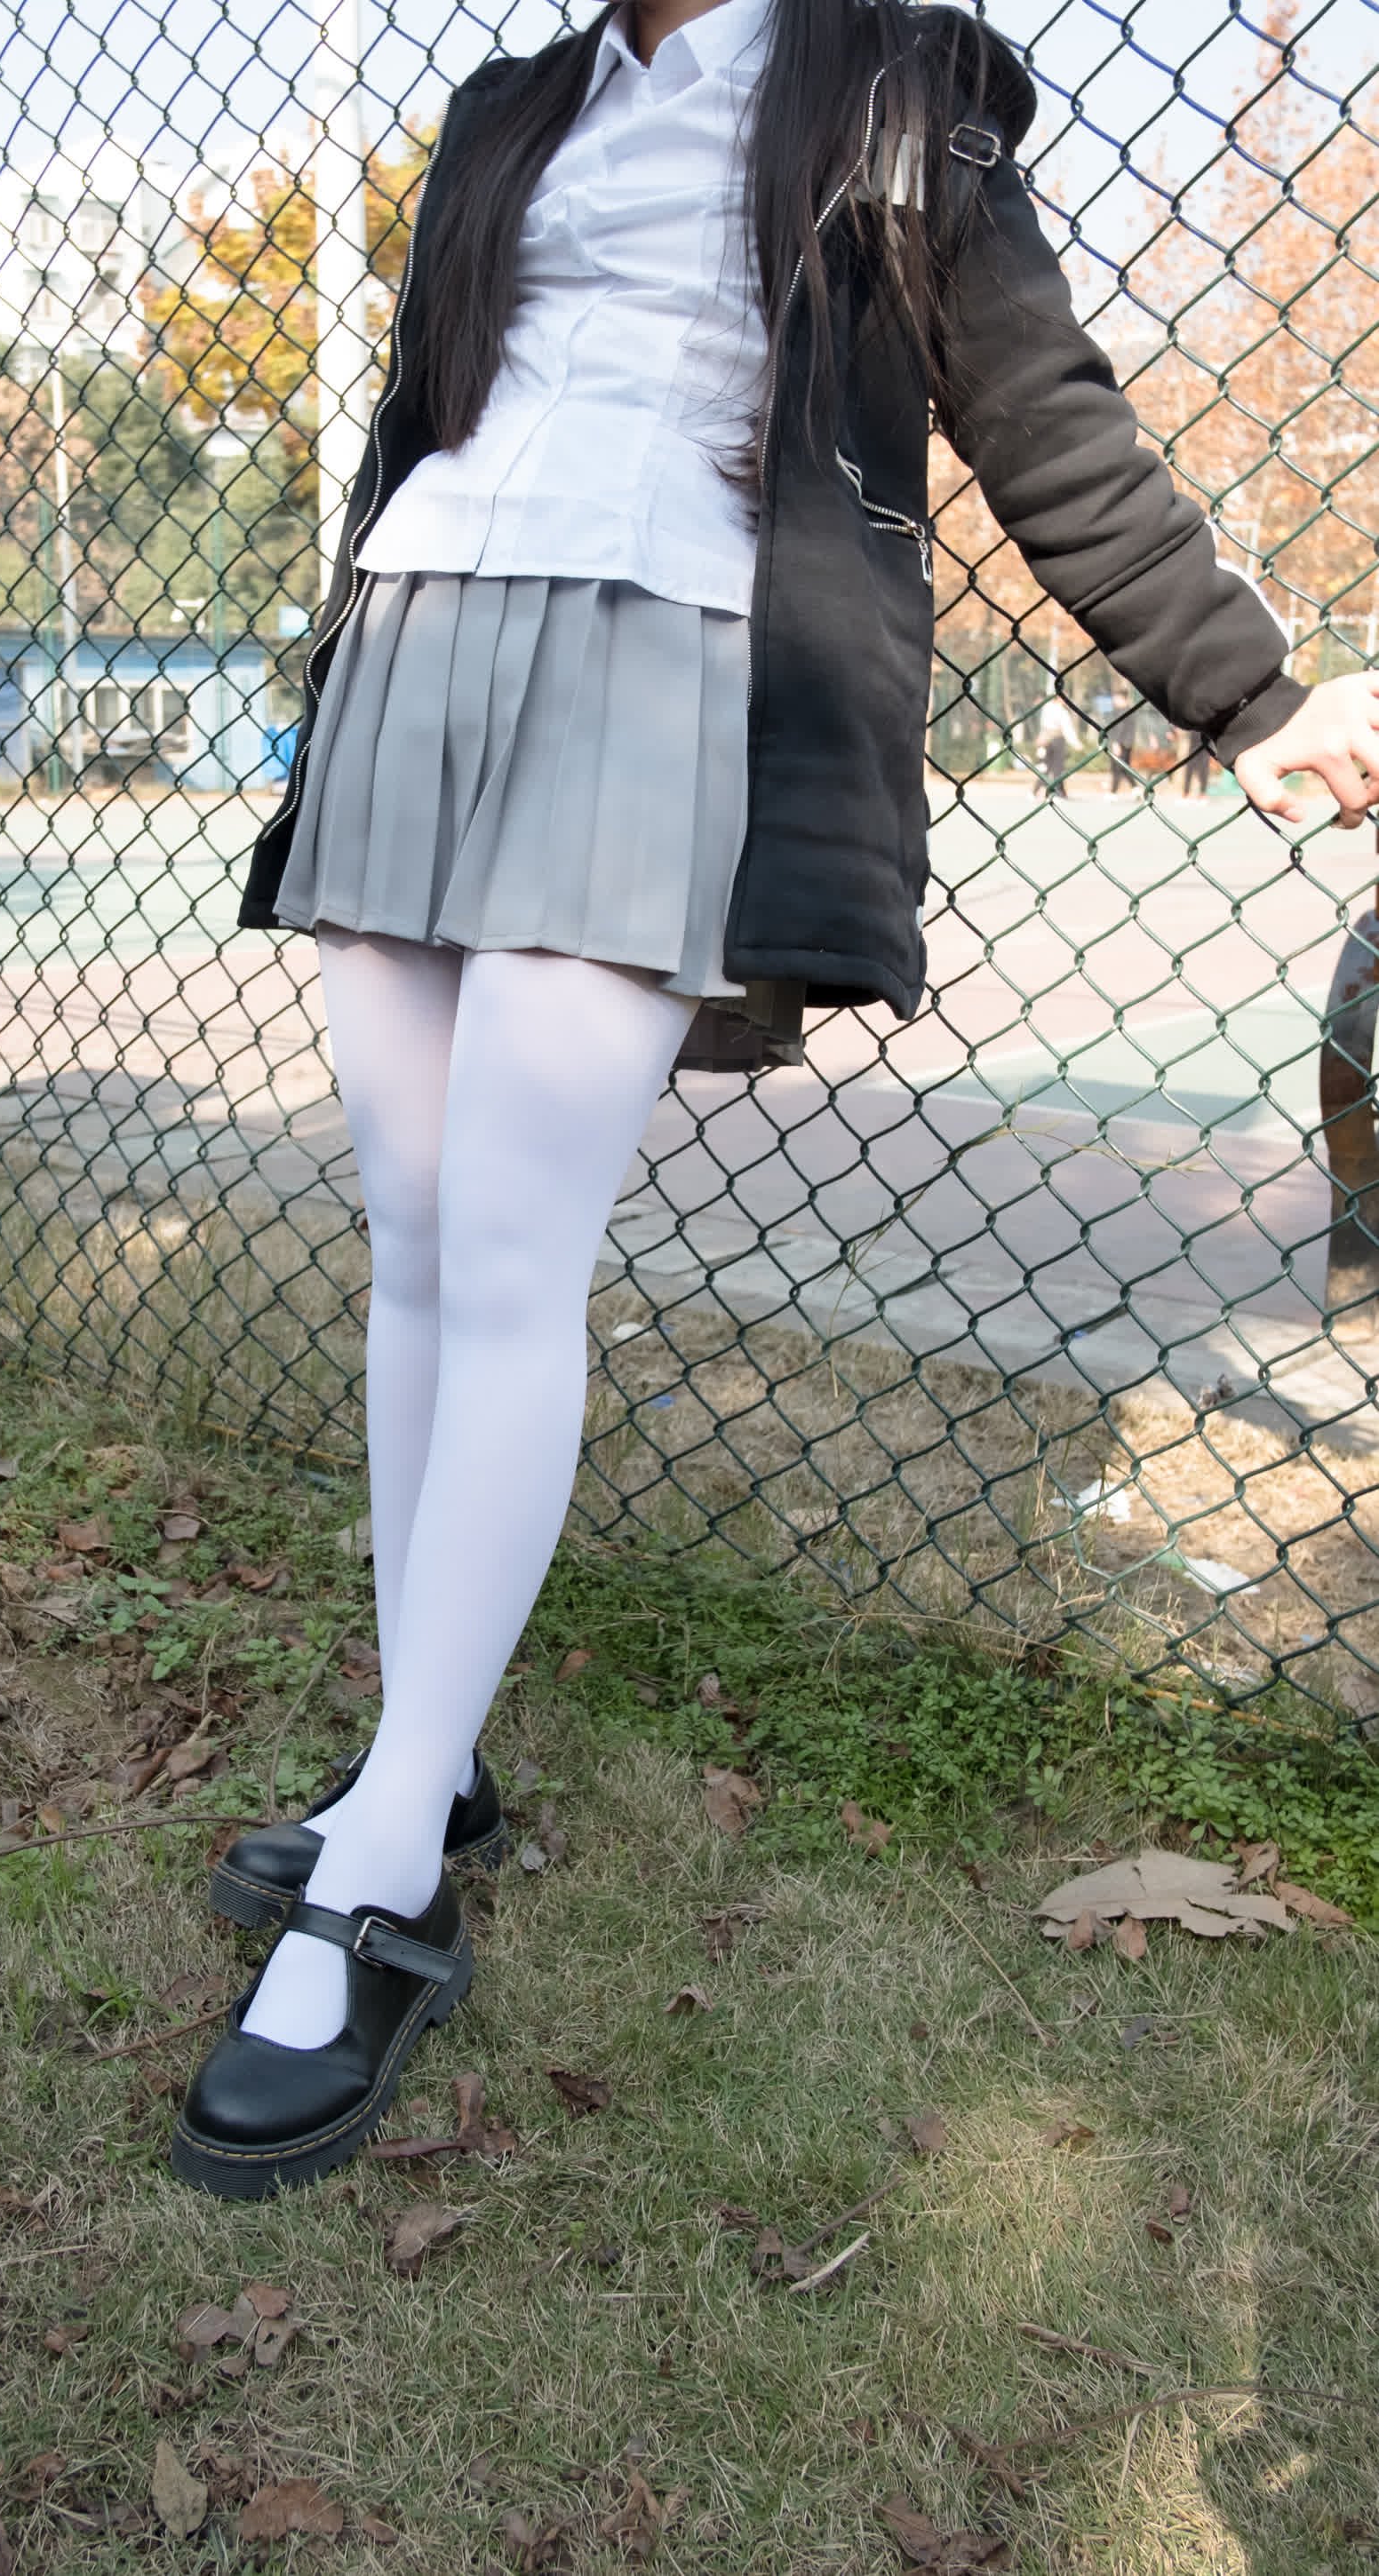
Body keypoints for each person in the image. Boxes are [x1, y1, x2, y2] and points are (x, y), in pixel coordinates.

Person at [171, 0, 1379, 2200]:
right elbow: (421, 409)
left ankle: (383, 1877)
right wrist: (345, 658)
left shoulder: (890, 84)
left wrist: (1245, 692)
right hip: (417, 636)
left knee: (511, 1253)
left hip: (664, 648)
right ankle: (418, 1768)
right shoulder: (515, 106)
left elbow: (1040, 412)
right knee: (416, 1241)